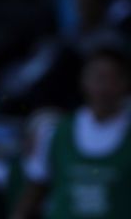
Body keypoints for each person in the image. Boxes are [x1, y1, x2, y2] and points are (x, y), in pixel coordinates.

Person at [11, 44, 131, 219]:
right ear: (83, 80)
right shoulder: (56, 131)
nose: (104, 87)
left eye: (112, 78)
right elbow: (35, 189)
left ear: (125, 82)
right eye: (98, 77)